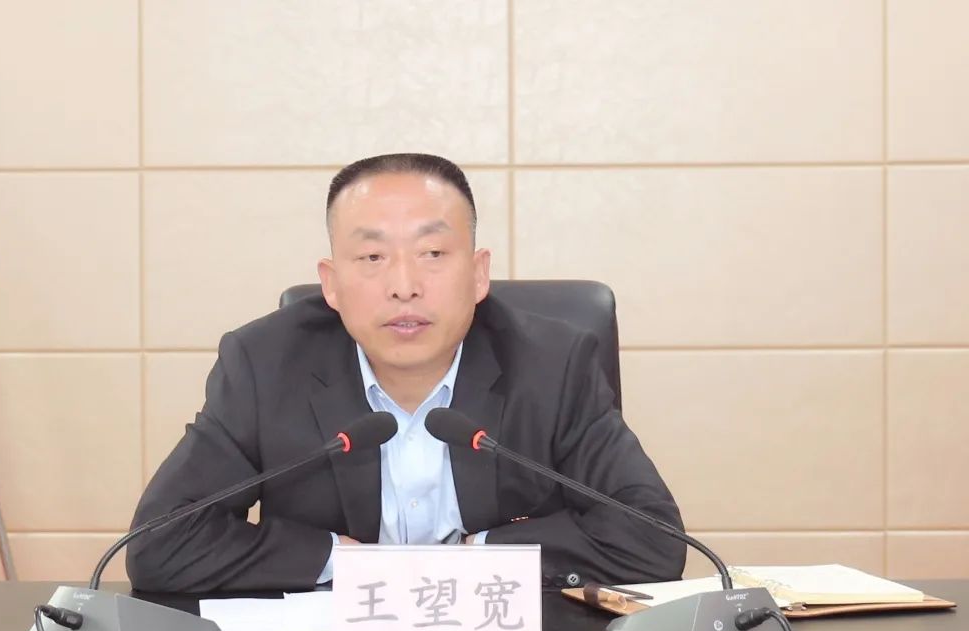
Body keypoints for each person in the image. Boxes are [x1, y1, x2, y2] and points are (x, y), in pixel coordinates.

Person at [127, 153, 685, 592]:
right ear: (331, 284)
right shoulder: (264, 364)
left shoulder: (552, 364)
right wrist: (338, 561)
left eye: (433, 253)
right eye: (372, 258)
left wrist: (477, 557)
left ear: (479, 274)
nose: (404, 286)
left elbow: (652, 539)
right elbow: (161, 545)